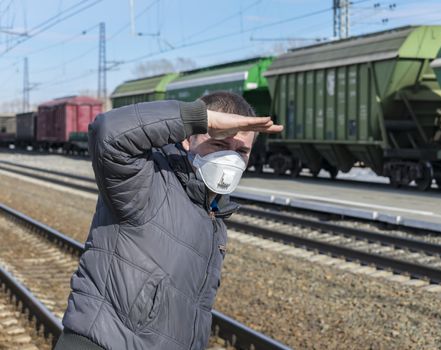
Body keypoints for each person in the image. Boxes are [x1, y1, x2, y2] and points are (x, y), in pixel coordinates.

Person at [54, 91, 283, 350]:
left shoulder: (213, 216)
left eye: (242, 150)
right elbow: (107, 132)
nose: (230, 159)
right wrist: (196, 117)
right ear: (188, 138)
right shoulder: (146, 178)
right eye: (219, 144)